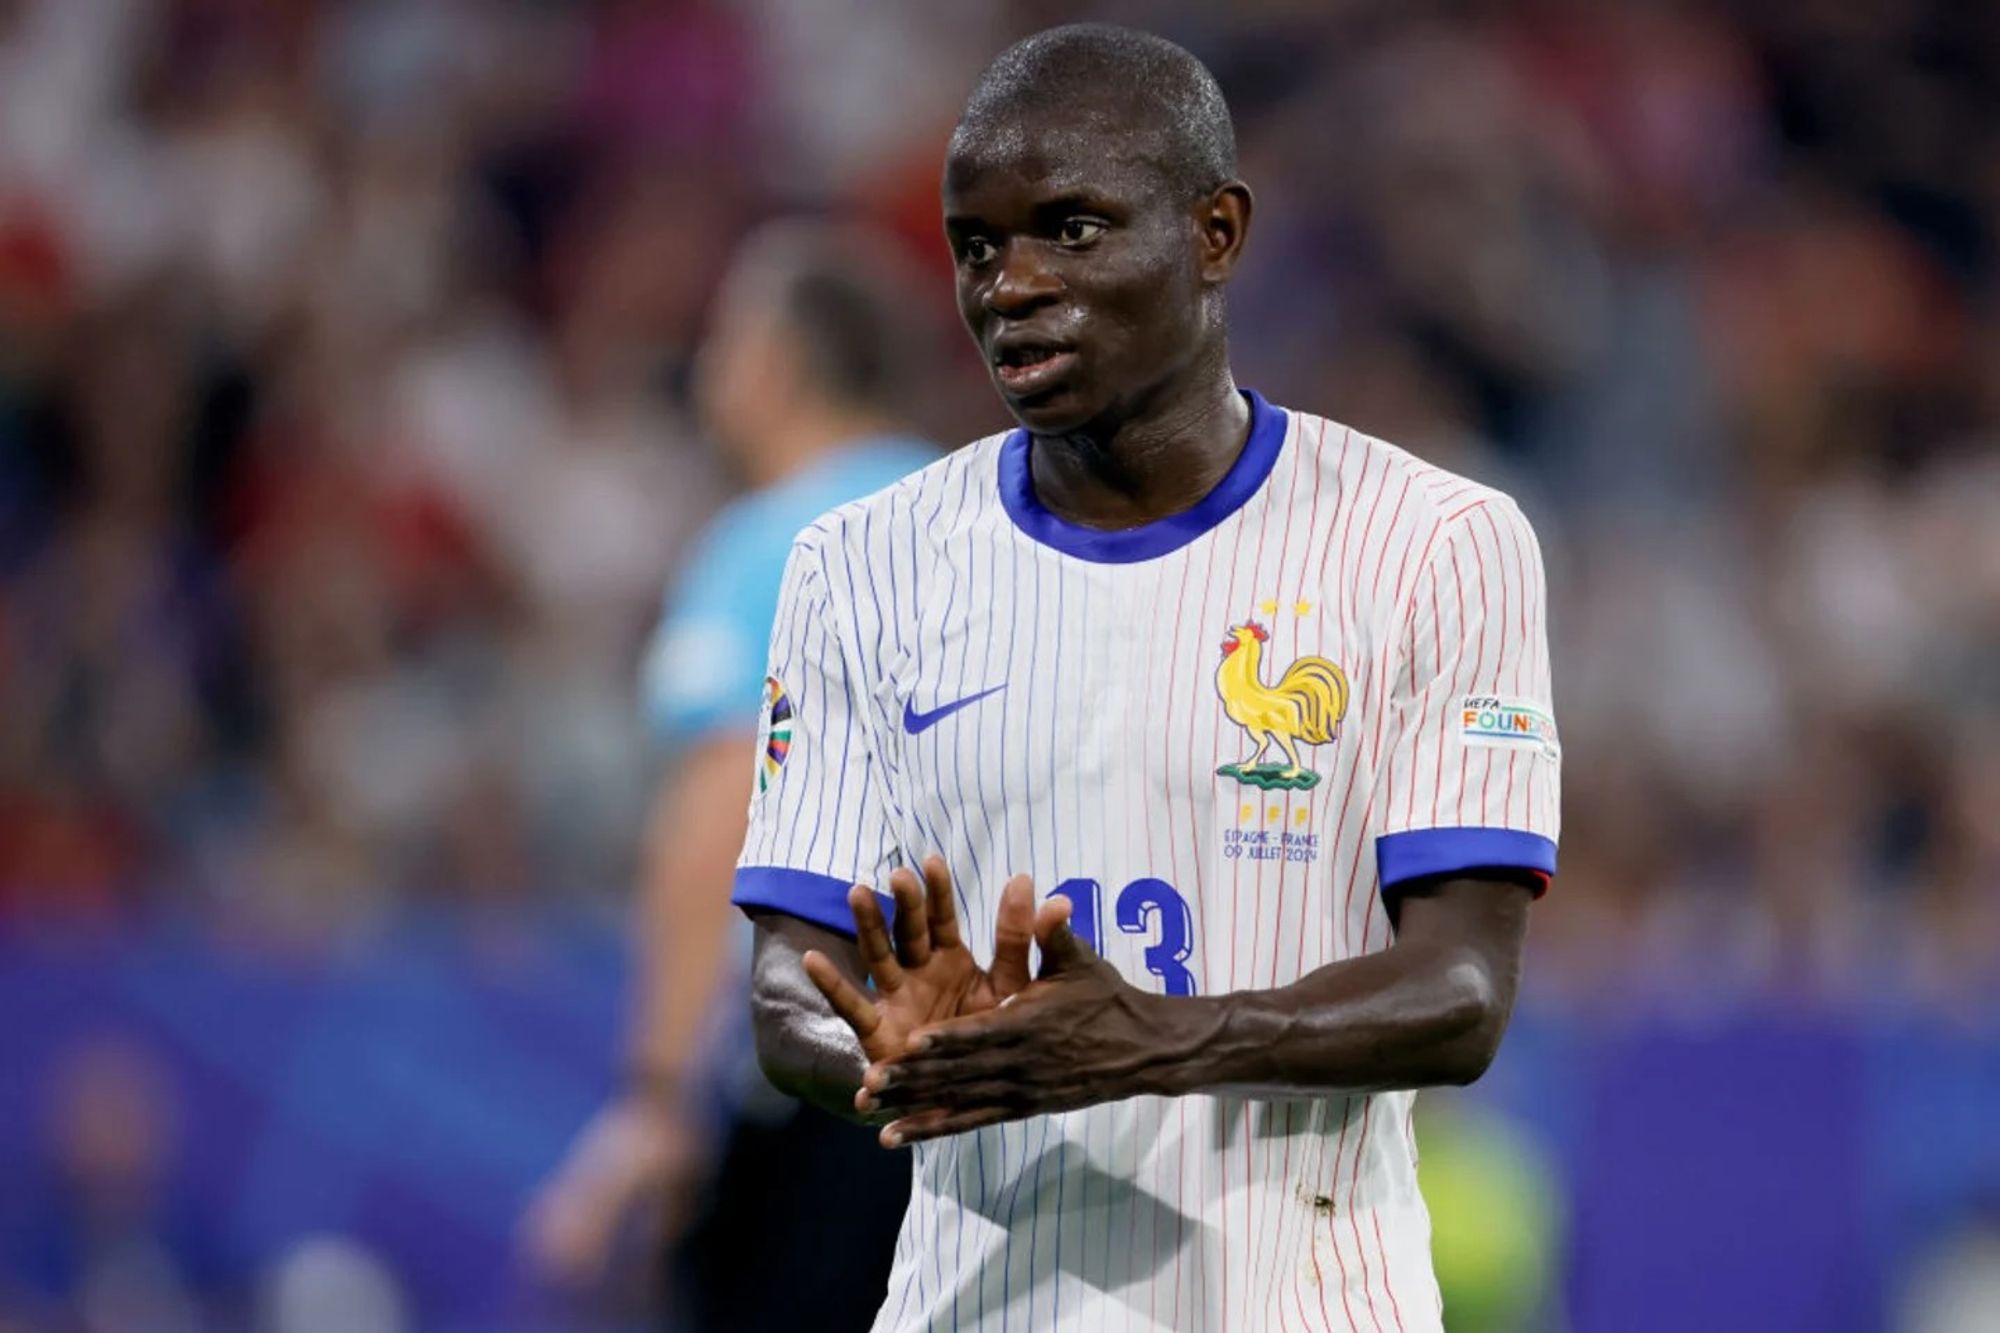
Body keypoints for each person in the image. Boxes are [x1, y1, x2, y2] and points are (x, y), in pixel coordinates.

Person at [735, 24, 1560, 1333]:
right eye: (977, 244)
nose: (1010, 284)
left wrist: (1156, 1040)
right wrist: (893, 1054)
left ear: (1216, 233)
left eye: (1070, 229)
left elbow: (1461, 992)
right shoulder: (859, 565)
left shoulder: (1433, 544)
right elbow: (789, 982)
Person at [524, 221, 936, 1327]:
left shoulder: (771, 547)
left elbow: (719, 812)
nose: (706, 369)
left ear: (779, 361)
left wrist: (654, 1096)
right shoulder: (988, 527)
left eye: (723, 338)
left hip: (824, 1083)